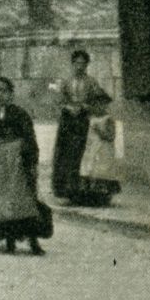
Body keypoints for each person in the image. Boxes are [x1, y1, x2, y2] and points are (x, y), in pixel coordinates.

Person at [0, 74, 48, 255]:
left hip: (15, 161)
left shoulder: (19, 113)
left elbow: (29, 138)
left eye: (3, 91)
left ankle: (31, 240)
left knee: (19, 199)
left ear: (11, 93)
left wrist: (31, 160)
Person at [51, 48, 117, 206]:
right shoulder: (66, 81)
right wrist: (67, 107)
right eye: (76, 63)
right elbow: (59, 100)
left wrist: (85, 107)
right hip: (69, 123)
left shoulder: (92, 82)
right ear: (72, 64)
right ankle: (69, 191)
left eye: (83, 63)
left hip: (84, 122)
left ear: (87, 65)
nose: (79, 66)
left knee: (84, 155)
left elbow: (98, 100)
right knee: (68, 155)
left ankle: (86, 193)